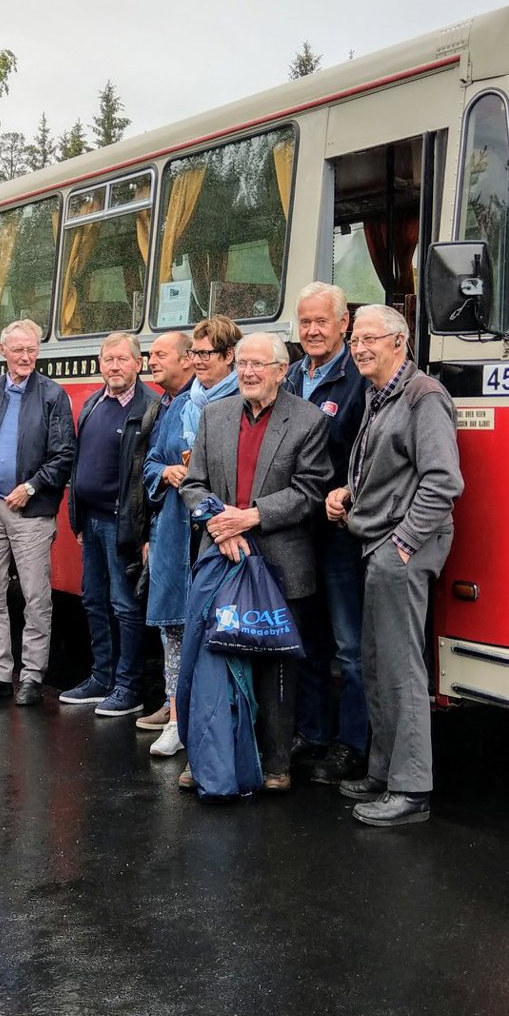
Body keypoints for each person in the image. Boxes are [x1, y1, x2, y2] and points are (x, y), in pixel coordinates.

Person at [324, 305, 463, 828]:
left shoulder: (423, 396)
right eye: (355, 339)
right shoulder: (380, 396)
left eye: (369, 339)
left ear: (400, 342)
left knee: (402, 670)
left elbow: (443, 482)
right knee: (378, 663)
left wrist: (402, 543)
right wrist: (346, 494)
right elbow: (384, 472)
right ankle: (383, 773)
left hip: (402, 549)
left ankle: (410, 789)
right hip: (378, 544)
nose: (359, 348)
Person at [178, 331, 332, 792]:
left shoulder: (307, 421)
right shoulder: (215, 414)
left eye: (257, 365)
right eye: (242, 363)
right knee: (215, 663)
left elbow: (310, 491)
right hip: (222, 557)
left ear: (282, 371)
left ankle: (276, 764)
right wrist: (220, 525)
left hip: (280, 564)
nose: (247, 372)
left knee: (275, 671)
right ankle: (210, 758)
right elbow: (193, 484)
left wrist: (249, 518)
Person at [0, 320, 75, 707]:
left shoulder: (52, 395)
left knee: (35, 597)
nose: (26, 357)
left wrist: (32, 486)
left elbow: (63, 455)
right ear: (2, 350)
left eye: (32, 350)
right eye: (18, 350)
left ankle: (32, 677)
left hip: (32, 512)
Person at [284, 282, 371, 785]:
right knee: (307, 639)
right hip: (296, 531)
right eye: (306, 322)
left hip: (341, 534)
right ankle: (312, 733)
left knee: (350, 646)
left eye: (323, 321)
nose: (313, 330)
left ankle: (352, 744)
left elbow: (370, 453)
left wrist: (348, 494)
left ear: (345, 325)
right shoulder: (291, 376)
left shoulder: (359, 379)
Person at [141, 318, 240, 755]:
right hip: (174, 532)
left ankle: (217, 725)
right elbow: (150, 463)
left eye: (205, 354)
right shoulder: (182, 405)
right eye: (194, 354)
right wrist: (166, 471)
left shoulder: (242, 400)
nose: (197, 362)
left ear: (228, 357)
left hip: (217, 533)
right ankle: (176, 718)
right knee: (175, 631)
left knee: (221, 631)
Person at [64, 332, 158, 718]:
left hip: (123, 525)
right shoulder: (93, 403)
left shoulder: (149, 406)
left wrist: (143, 531)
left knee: (125, 605)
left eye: (122, 359)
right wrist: (78, 515)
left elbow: (144, 475)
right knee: (94, 601)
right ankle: (101, 677)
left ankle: (128, 686)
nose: (114, 367)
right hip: (92, 521)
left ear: (139, 363)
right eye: (108, 360)